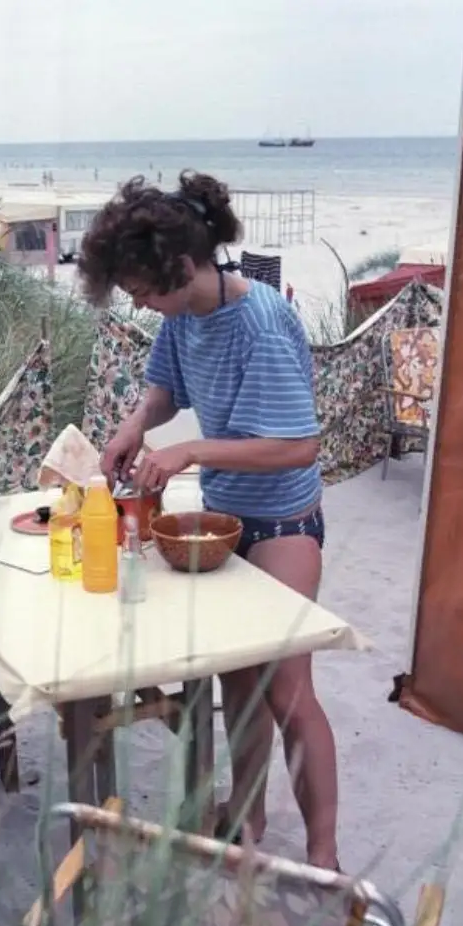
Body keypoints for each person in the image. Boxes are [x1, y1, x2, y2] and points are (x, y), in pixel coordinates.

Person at [77, 171, 340, 870]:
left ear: (184, 267)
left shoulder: (259, 323)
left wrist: (191, 448)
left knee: (288, 692)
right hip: (223, 516)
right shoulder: (182, 317)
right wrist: (135, 423)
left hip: (284, 524)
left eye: (141, 288)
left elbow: (299, 445)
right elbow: (166, 391)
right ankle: (247, 819)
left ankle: (324, 854)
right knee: (239, 682)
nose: (138, 302)